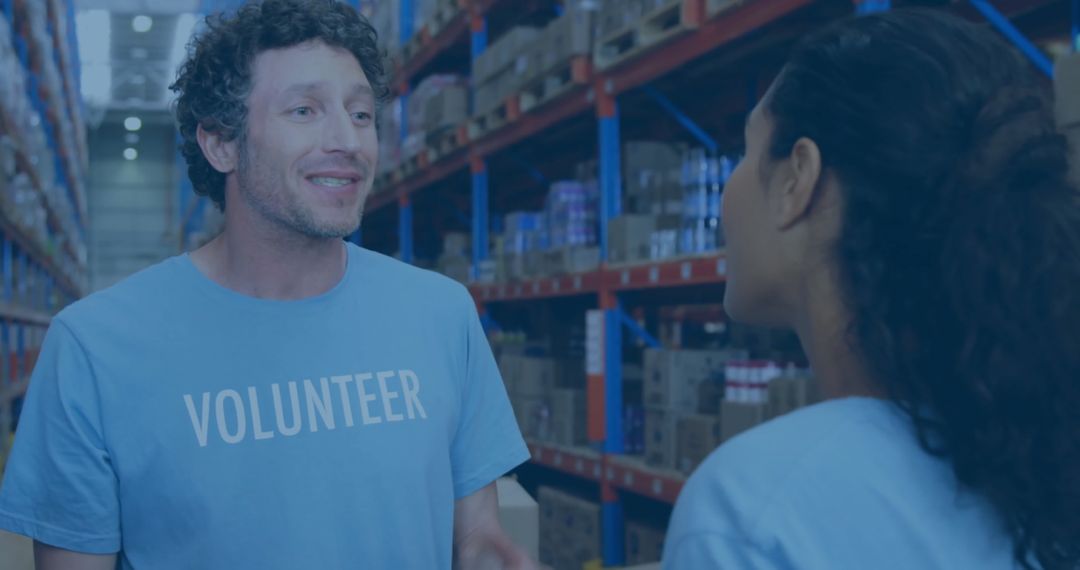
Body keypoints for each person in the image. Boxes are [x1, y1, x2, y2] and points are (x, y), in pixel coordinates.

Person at [0, 1, 540, 568]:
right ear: (221, 144)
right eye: (304, 110)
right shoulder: (93, 350)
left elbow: (474, 536)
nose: (349, 141)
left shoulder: (442, 315)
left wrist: (494, 559)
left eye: (361, 114)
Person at [663, 9, 1079, 570]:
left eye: (746, 150)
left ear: (797, 179)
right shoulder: (1037, 454)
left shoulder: (750, 507)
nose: (726, 194)